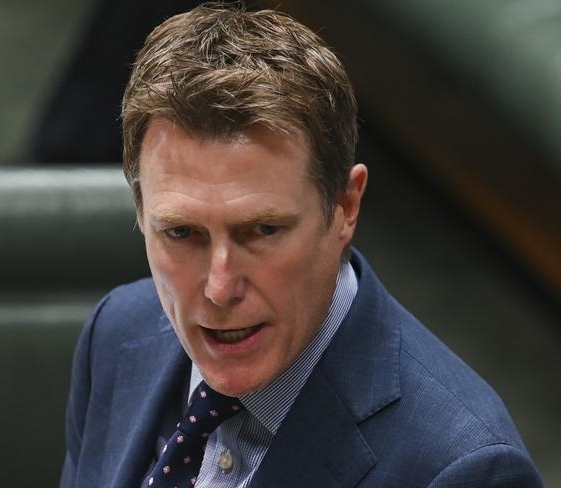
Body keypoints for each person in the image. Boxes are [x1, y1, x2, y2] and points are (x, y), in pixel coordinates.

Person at [60, 4, 543, 487]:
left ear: (346, 207)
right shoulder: (116, 333)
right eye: (182, 233)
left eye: (262, 231)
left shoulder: (465, 470)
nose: (220, 288)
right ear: (141, 212)